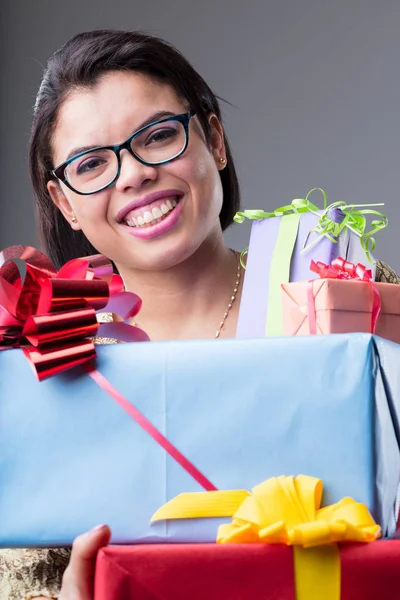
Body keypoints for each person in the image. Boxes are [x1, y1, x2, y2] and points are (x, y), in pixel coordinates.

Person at [0, 28, 399, 600]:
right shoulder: (47, 352)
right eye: (90, 165)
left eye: (158, 136)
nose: (134, 174)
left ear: (214, 140)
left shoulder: (333, 282)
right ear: (64, 202)